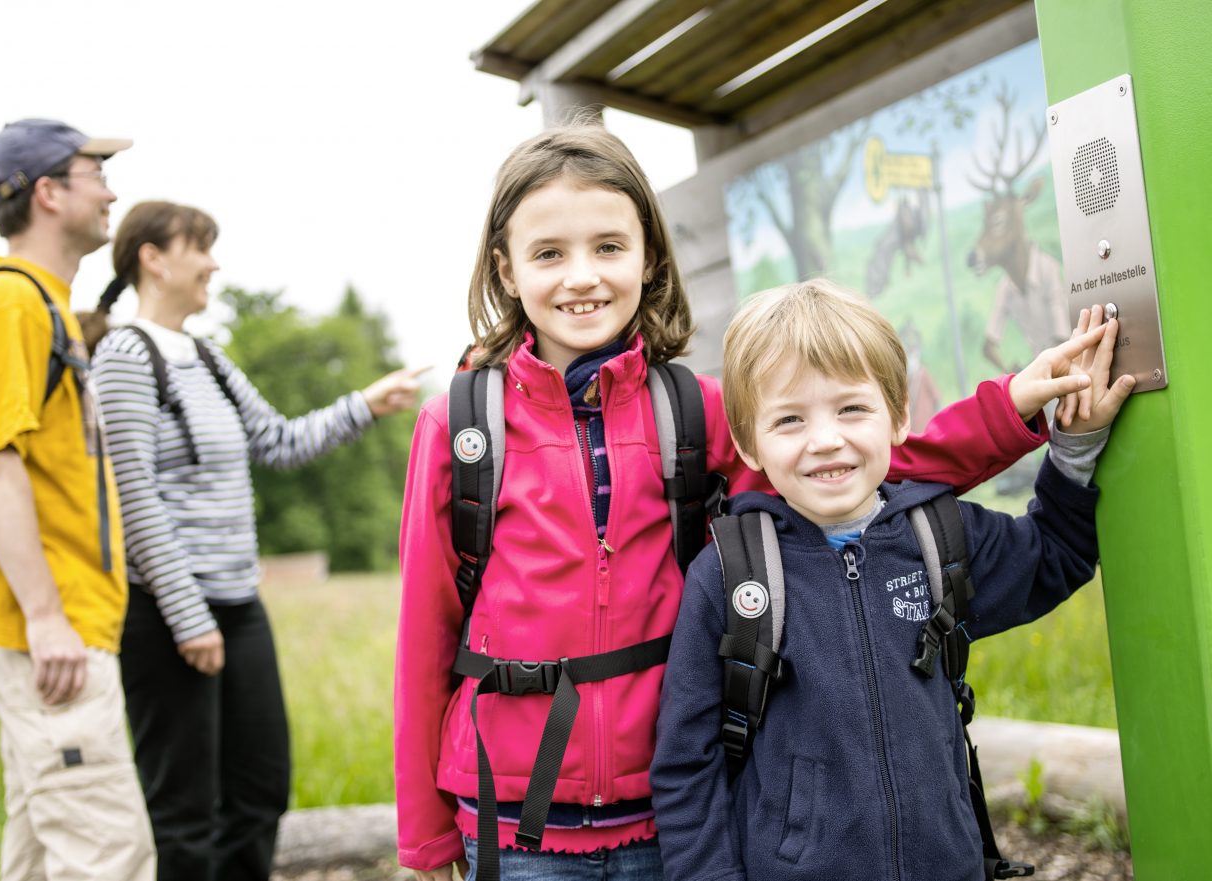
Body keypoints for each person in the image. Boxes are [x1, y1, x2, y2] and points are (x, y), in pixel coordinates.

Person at [393, 121, 1084, 881]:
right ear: (506, 266)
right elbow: (426, 633)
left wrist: (1012, 407)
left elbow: (861, 470)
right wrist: (425, 837)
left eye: (608, 247)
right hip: (515, 823)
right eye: (549, 253)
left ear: (649, 254)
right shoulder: (460, 426)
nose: (581, 276)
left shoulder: (696, 413)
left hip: (667, 812)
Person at [649, 281, 1133, 881]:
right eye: (790, 419)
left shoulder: (940, 536)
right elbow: (684, 768)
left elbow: (1057, 554)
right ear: (750, 444)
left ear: (899, 416)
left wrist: (1076, 446)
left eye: (851, 408)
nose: (826, 440)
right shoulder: (728, 575)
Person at [84, 199, 424, 881]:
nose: (213, 262)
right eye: (200, 247)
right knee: (186, 813)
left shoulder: (207, 357)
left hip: (239, 605)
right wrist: (189, 619)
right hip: (169, 616)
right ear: (153, 257)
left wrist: (365, 403)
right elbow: (134, 498)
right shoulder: (125, 354)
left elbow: (278, 439)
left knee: (261, 788)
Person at [0, 119, 155, 880]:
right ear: (47, 193)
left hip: (60, 625)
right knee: (109, 856)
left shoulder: (45, 304)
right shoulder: (8, 304)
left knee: (40, 855)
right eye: (94, 172)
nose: (110, 190)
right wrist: (44, 616)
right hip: (47, 630)